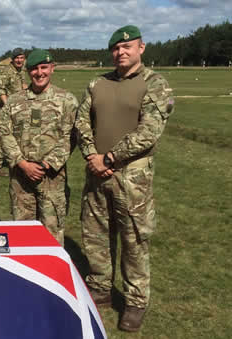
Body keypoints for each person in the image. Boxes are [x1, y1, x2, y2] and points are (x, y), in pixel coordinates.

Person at [75, 25, 175, 332]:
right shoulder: (98, 83)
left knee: (134, 240)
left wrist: (109, 158)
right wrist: (93, 156)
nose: (121, 52)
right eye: (116, 48)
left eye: (127, 46)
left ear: (141, 48)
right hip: (97, 175)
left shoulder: (155, 84)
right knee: (95, 236)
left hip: (133, 178)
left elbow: (149, 131)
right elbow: (82, 122)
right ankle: (101, 288)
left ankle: (135, 301)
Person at [0, 49, 77, 245]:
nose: (39, 73)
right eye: (34, 69)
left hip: (52, 178)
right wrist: (22, 163)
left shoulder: (66, 100)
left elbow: (71, 136)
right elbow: (5, 133)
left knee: (52, 234)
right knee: (22, 234)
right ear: (27, 71)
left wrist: (47, 164)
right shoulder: (14, 101)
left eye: (44, 68)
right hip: (20, 178)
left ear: (52, 68)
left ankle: (53, 273)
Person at [0, 47, 29, 177]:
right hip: (5, 108)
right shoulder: (6, 71)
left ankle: (17, 159)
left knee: (18, 134)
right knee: (2, 135)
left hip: (19, 108)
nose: (19, 60)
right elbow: (0, 90)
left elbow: (22, 85)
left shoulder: (22, 70)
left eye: (21, 58)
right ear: (12, 59)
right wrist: (8, 107)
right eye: (17, 58)